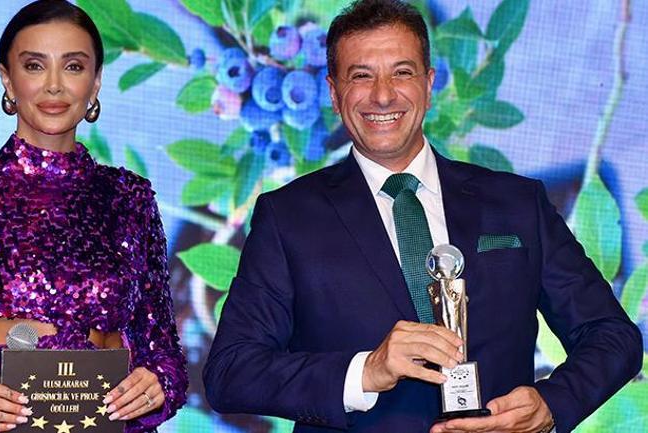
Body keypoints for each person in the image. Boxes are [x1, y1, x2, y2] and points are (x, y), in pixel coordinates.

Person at [203, 1, 642, 432]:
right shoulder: (288, 217)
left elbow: (612, 335)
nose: (383, 95)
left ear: (429, 85)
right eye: (361, 76)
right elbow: (230, 372)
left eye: (402, 72)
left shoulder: (517, 202)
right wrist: (365, 371)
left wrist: (551, 404)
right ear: (334, 94)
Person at [0, 1, 187, 432]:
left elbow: (166, 355)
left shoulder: (129, 197)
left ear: (96, 81)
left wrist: (160, 385)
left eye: (73, 66)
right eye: (35, 66)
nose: (54, 86)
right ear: (8, 78)